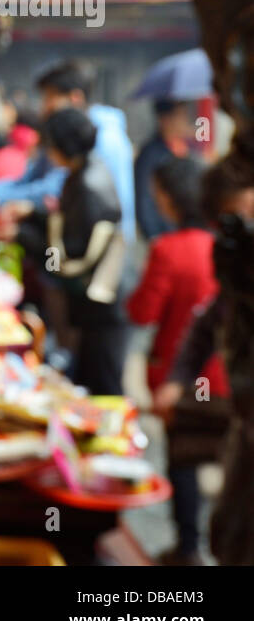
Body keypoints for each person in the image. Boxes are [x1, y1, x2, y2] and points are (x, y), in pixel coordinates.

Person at [125, 157, 222, 564]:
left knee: (183, 460)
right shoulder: (227, 250)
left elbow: (143, 312)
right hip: (226, 380)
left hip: (177, 381)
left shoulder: (168, 250)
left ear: (170, 198)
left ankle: (188, 547)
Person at [0, 59, 136, 245]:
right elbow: (30, 180)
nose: (43, 107)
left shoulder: (97, 137)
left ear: (75, 98)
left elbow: (52, 190)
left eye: (49, 98)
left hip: (94, 248)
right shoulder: (63, 132)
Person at [17, 107, 129, 395]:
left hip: (100, 304)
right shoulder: (84, 171)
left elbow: (66, 255)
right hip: (91, 303)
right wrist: (32, 214)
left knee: (102, 386)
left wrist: (22, 235)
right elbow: (64, 226)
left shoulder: (88, 185)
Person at [134, 99, 194, 242]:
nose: (185, 120)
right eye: (180, 115)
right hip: (163, 235)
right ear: (165, 119)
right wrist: (154, 235)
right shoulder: (150, 155)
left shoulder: (184, 150)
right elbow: (144, 199)